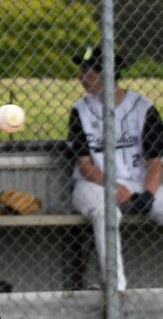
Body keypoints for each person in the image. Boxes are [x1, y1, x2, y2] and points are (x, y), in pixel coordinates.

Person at [68, 45, 163, 291]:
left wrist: (148, 194)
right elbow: (85, 164)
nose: (80, 77)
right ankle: (115, 287)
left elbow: (155, 162)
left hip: (138, 181)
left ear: (103, 74)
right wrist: (113, 186)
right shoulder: (80, 110)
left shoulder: (142, 107)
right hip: (95, 184)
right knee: (105, 211)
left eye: (85, 71)